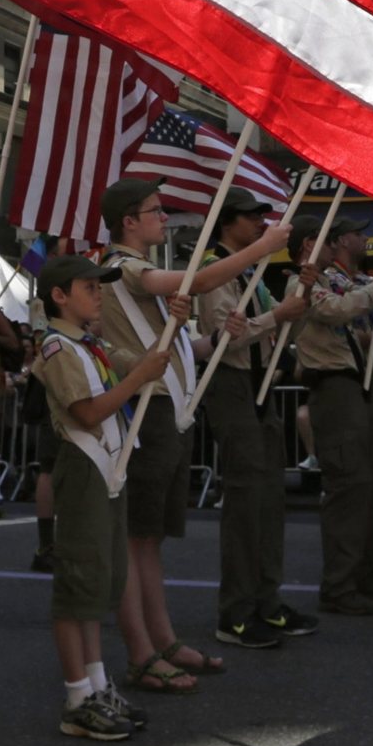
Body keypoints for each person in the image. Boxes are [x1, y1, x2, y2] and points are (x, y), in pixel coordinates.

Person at [93, 177, 290, 692]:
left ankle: (164, 639)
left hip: (169, 412)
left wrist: (209, 340)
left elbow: (183, 348)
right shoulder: (124, 265)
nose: (164, 218)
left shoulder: (142, 275)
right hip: (146, 413)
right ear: (128, 222)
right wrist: (263, 248)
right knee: (136, 539)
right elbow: (195, 283)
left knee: (149, 540)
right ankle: (141, 650)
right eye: (155, 211)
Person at [30, 254, 170, 742]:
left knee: (99, 582)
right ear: (59, 296)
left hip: (107, 467)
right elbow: (86, 412)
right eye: (89, 287)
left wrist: (173, 324)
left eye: (100, 286)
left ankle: (95, 684)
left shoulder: (90, 345)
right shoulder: (55, 347)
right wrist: (139, 376)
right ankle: (76, 698)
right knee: (77, 584)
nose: (99, 293)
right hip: (83, 467)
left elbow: (140, 363)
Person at [192, 187, 307, 650]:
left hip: (261, 388)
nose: (260, 222)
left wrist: (296, 303)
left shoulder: (254, 272)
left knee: (269, 498)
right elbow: (226, 338)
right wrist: (277, 315)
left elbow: (273, 331)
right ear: (226, 222)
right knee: (244, 501)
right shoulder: (215, 270)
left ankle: (268, 601)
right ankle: (235, 613)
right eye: (250, 216)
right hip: (232, 385)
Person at [290, 217, 373, 616]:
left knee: (365, 484)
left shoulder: (327, 281)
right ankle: (338, 583)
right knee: (348, 485)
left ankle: (362, 572)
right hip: (333, 389)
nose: (332, 246)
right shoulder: (300, 285)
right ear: (306, 246)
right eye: (322, 239)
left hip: (353, 386)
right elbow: (334, 312)